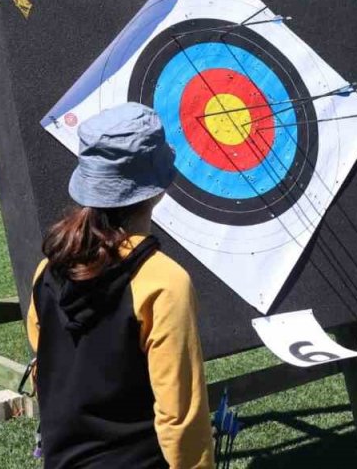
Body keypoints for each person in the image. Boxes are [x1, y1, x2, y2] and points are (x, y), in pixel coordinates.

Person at [26, 102, 215, 469]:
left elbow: (44, 365)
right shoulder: (163, 282)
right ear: (158, 188)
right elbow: (180, 416)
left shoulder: (47, 270)